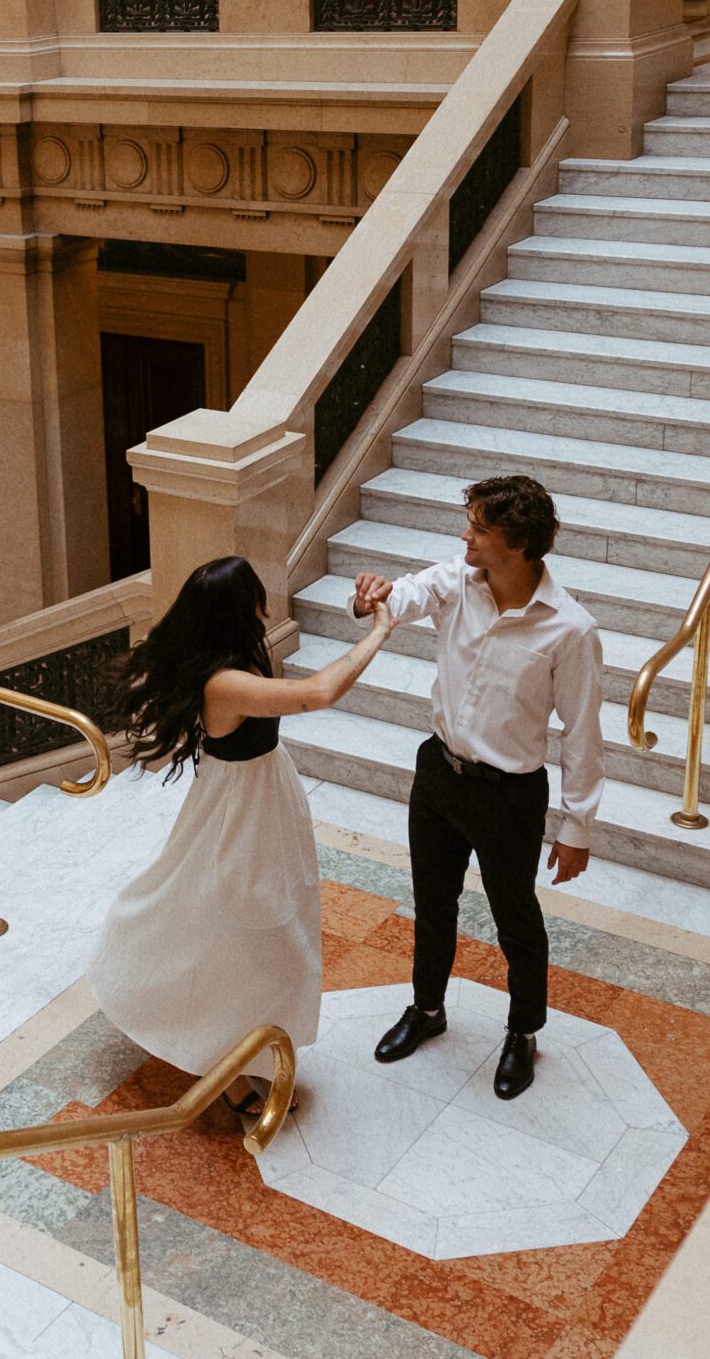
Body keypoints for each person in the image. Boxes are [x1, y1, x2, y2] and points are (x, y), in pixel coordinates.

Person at [87, 555, 399, 1124]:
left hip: (262, 792)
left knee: (265, 923)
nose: (266, 605)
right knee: (233, 928)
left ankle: (241, 1037)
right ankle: (221, 1063)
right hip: (238, 810)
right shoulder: (224, 682)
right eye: (256, 596)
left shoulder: (238, 654)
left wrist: (359, 611)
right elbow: (320, 693)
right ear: (239, 610)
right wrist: (380, 629)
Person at [350, 474, 605, 1102]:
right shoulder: (456, 582)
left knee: (515, 918)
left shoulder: (570, 630)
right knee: (431, 904)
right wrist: (372, 596)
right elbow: (402, 596)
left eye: (479, 528)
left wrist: (578, 829)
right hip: (439, 774)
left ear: (517, 545)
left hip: (509, 797)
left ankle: (523, 1033)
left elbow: (581, 734)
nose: (465, 535)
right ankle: (427, 1009)